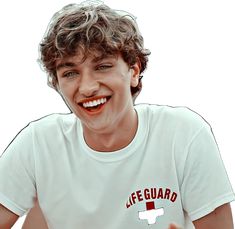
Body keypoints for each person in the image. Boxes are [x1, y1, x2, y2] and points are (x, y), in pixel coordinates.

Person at [0, 1, 234, 228]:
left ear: (134, 71)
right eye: (70, 73)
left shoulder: (184, 136)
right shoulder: (38, 144)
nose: (87, 87)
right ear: (57, 82)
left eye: (102, 66)